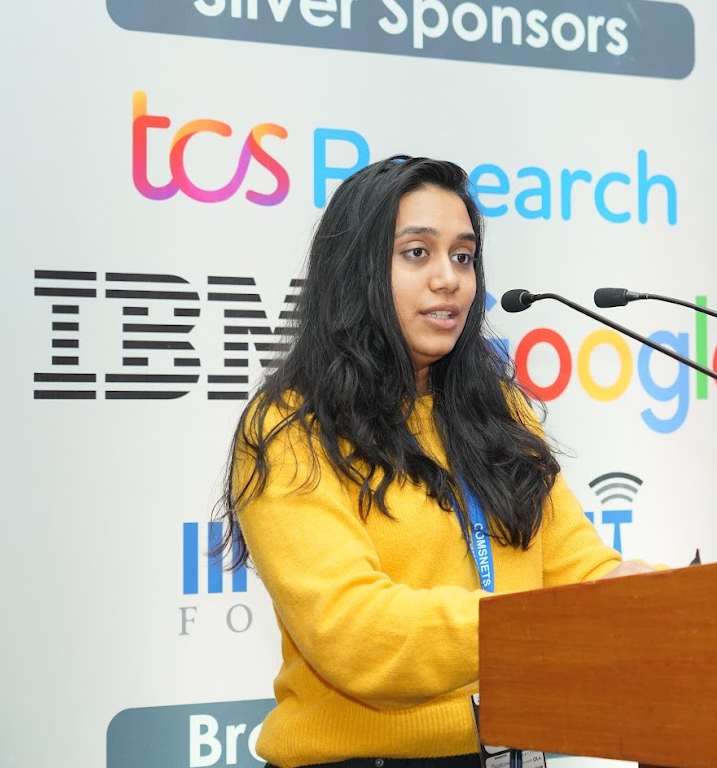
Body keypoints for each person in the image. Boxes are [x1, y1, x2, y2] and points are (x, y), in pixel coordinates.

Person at [215, 155, 653, 768]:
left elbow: (575, 568)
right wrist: (545, 624)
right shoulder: (291, 429)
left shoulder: (498, 411)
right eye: (417, 253)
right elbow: (357, 635)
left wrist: (650, 596)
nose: (449, 279)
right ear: (358, 272)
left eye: (464, 256)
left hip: (510, 749)